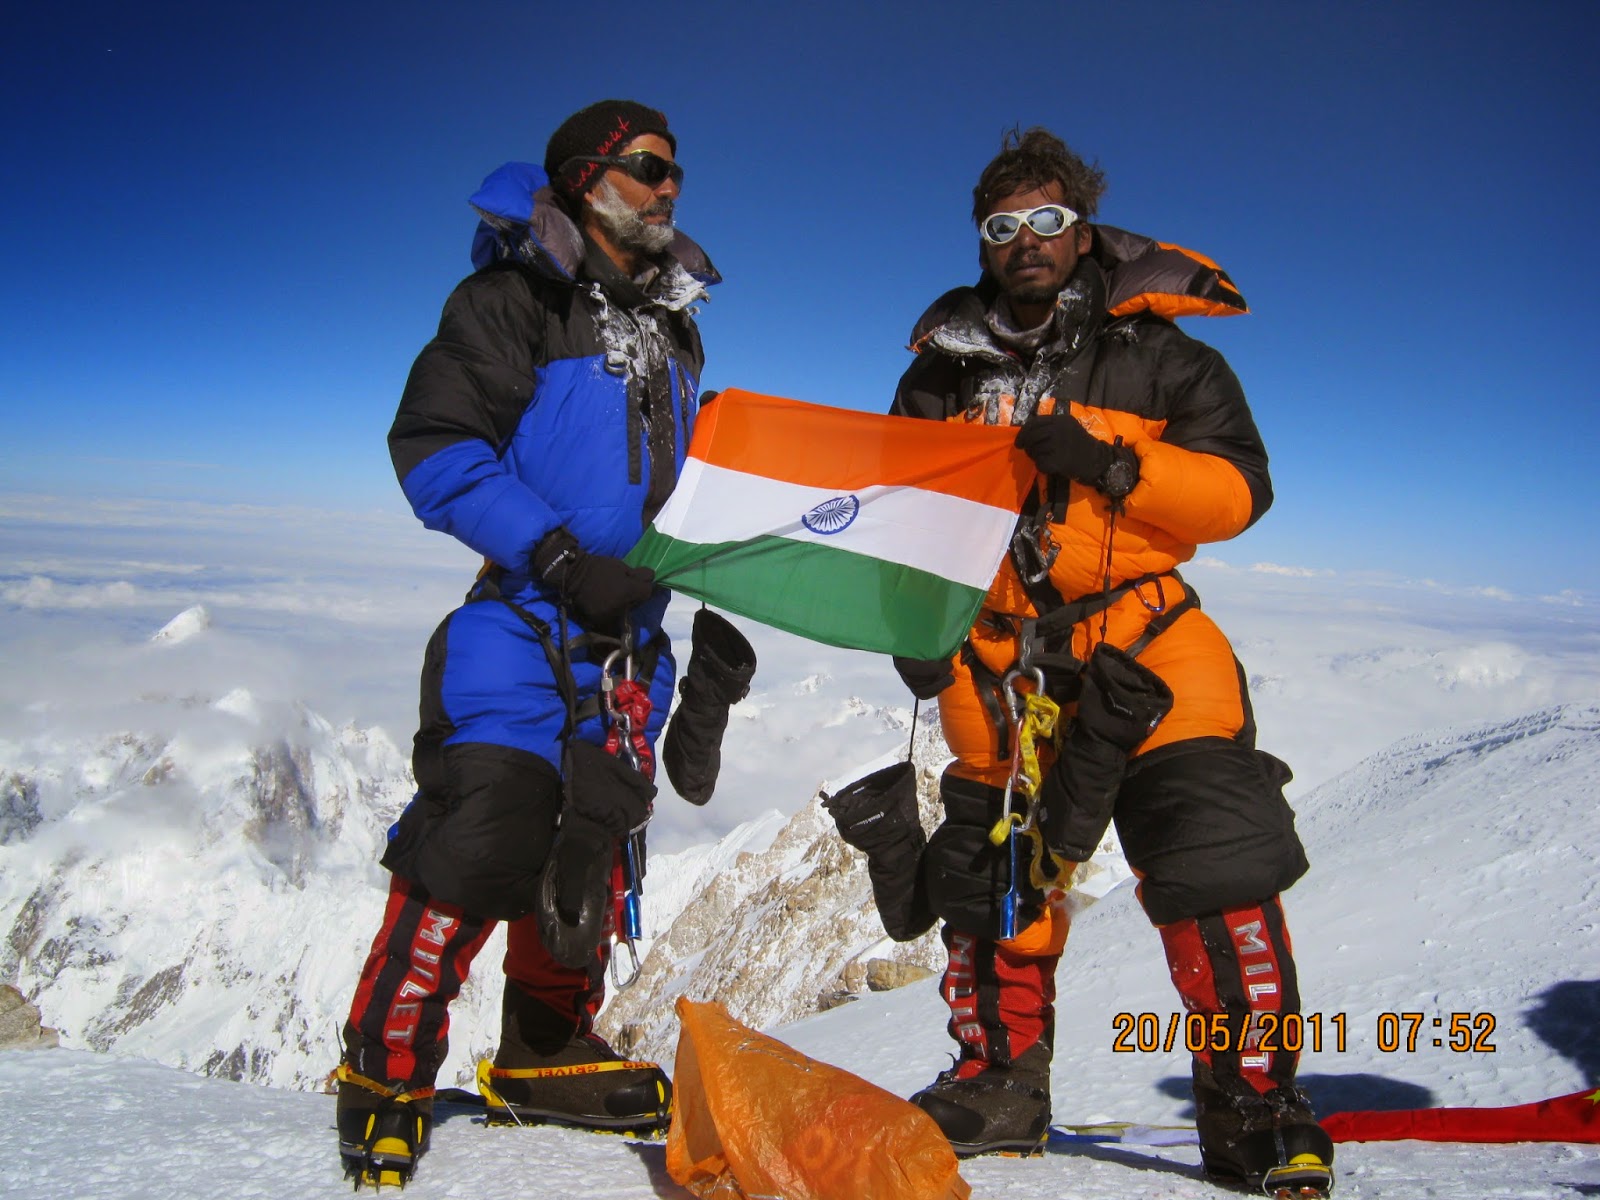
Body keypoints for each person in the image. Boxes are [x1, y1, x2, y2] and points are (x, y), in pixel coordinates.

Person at [880, 128, 1335, 1194]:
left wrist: (1115, 463)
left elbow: (1240, 492)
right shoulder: (936, 376)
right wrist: (911, 625)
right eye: (1003, 225)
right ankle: (998, 1084)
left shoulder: (1163, 356)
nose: (1026, 240)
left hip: (1148, 646)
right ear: (982, 241)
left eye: (1047, 219)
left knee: (1213, 864)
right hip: (997, 664)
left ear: (1082, 231)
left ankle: (1255, 1111)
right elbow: (901, 513)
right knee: (992, 880)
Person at [334, 100, 754, 1189]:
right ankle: (382, 1076)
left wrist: (723, 574)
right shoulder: (512, 300)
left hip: (628, 647)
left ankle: (543, 1052)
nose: (669, 186)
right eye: (648, 167)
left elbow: (684, 484)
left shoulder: (675, 325)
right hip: (523, 618)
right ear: (582, 179)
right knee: (481, 834)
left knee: (591, 855)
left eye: (675, 170)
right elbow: (437, 450)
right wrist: (560, 558)